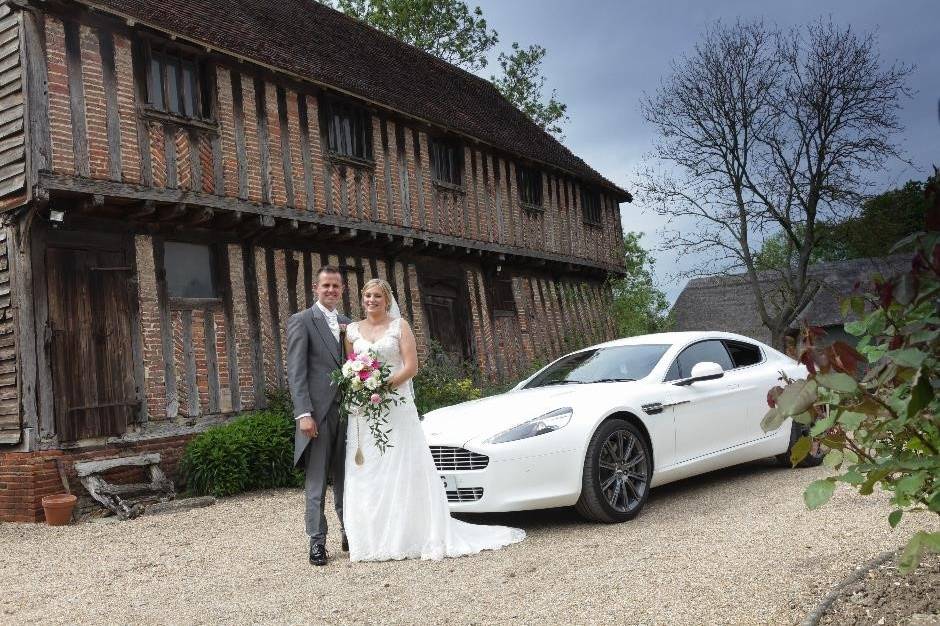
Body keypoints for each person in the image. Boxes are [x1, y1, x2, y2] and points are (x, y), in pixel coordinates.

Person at [342, 278, 525, 562]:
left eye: (377, 295)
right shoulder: (353, 331)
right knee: (371, 467)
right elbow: (351, 366)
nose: (371, 300)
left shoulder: (399, 327)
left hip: (396, 404)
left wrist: (382, 386)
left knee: (401, 463)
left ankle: (409, 533)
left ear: (387, 300)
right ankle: (373, 539)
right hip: (366, 410)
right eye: (367, 295)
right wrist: (362, 385)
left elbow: (411, 366)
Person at [286, 266, 351, 566]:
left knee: (347, 478)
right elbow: (296, 373)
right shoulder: (301, 321)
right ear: (315, 287)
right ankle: (317, 541)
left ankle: (349, 530)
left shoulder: (348, 324)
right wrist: (303, 414)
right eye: (326, 285)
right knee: (316, 483)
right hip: (317, 416)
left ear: (342, 289)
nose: (331, 291)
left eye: (336, 286)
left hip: (348, 414)